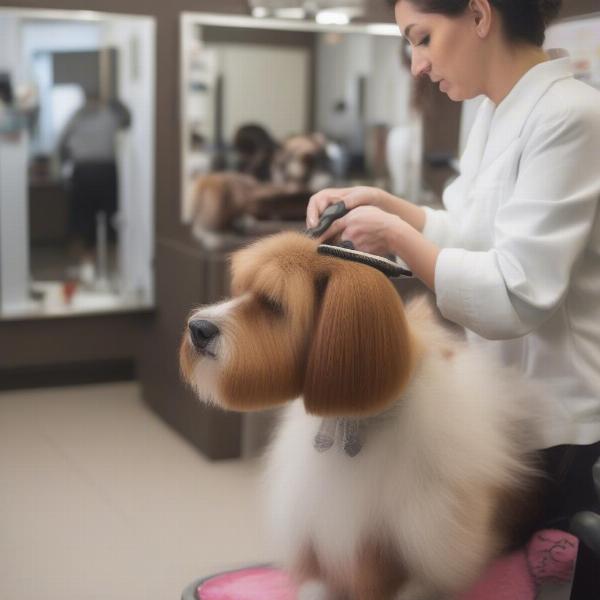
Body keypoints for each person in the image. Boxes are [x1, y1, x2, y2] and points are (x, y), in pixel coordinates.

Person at [305, 0, 600, 596]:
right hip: (503, 414)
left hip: (564, 432)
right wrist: (387, 205)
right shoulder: (495, 114)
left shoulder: (572, 116)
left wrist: (395, 237)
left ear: (479, 14)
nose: (417, 65)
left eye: (422, 38)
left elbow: (516, 293)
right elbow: (470, 230)